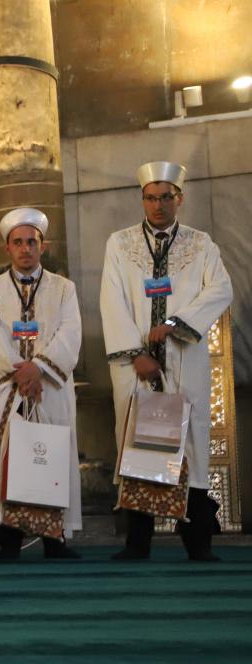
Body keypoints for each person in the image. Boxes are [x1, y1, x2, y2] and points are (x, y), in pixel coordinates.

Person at [100, 161, 232, 561]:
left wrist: (177, 322)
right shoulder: (119, 243)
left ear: (180, 199)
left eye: (166, 197)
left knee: (190, 443)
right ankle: (138, 543)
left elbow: (221, 289)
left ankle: (198, 543)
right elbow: (112, 301)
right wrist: (136, 353)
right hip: (134, 366)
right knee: (139, 445)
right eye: (151, 198)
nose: (158, 205)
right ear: (142, 199)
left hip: (184, 358)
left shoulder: (201, 243)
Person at [0, 209, 82, 559]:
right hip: (7, 388)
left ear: (42, 246)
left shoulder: (64, 288)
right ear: (7, 248)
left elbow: (70, 333)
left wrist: (40, 369)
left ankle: (53, 540)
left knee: (51, 457)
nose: (25, 248)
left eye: (32, 241)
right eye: (18, 242)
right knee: (2, 456)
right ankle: (10, 540)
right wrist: (21, 374)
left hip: (51, 389)